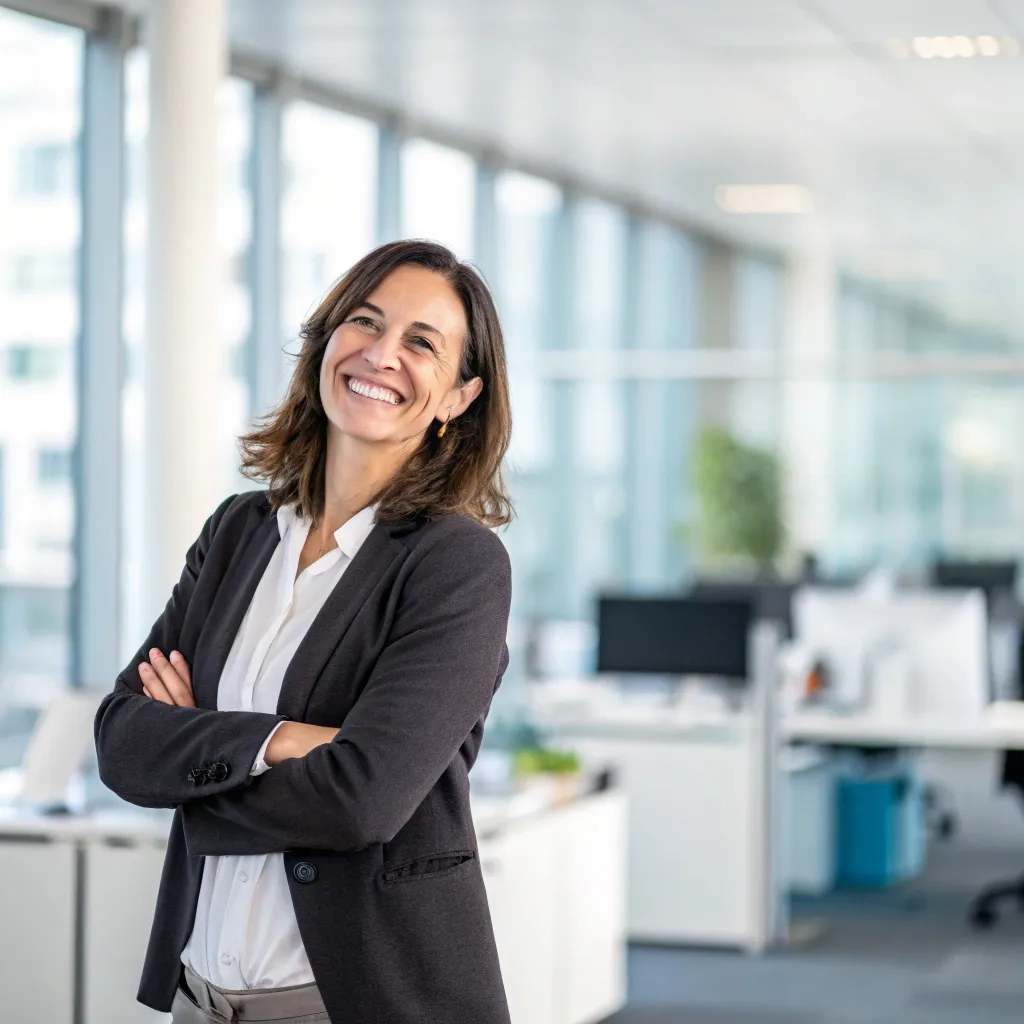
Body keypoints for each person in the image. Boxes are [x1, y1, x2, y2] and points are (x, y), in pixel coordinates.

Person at [94, 239, 515, 1024]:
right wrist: (285, 740)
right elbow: (121, 738)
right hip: (201, 999)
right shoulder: (238, 534)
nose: (382, 354)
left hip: (362, 1003)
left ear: (459, 398)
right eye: (365, 321)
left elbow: (361, 801)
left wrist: (194, 765)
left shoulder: (457, 565)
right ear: (327, 340)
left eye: (422, 343)